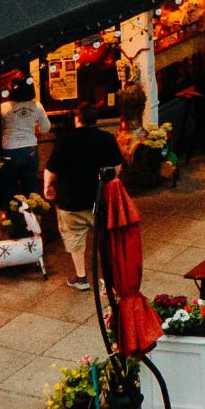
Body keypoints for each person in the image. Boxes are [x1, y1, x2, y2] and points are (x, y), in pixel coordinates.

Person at [42, 105, 123, 290]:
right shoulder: (107, 138)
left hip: (70, 201)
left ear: (77, 119)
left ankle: (82, 277)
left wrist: (47, 186)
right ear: (95, 119)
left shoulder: (65, 141)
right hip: (99, 199)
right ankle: (110, 277)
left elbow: (51, 169)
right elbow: (117, 167)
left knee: (75, 239)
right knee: (104, 237)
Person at [0, 82, 49, 209]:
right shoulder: (37, 106)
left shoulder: (3, 107)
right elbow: (45, 128)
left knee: (9, 188)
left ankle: (12, 219)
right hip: (30, 149)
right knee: (30, 188)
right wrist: (33, 132)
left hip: (9, 150)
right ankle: (32, 220)